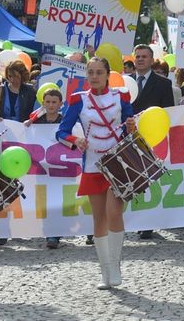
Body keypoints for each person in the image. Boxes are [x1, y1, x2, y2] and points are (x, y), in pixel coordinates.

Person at [55, 57, 136, 289]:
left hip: (117, 163)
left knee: (114, 213)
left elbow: (130, 129)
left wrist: (132, 127)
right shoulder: (78, 100)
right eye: (90, 72)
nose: (94, 77)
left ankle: (115, 264)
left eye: (99, 72)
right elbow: (61, 132)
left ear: (108, 74)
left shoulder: (121, 96)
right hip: (92, 165)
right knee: (99, 218)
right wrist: (75, 140)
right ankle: (105, 271)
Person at [0, 60, 36, 249]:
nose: (13, 80)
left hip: (21, 142)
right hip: (1, 141)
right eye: (10, 76)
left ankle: (7, 228)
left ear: (23, 76)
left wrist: (30, 122)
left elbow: (34, 113)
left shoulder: (29, 91)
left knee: (13, 187)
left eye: (16, 76)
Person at [131, 44, 174, 239]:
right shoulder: (125, 82)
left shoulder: (163, 84)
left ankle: (148, 222)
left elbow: (168, 111)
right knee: (134, 179)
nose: (140, 59)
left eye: (144, 56)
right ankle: (136, 219)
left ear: (151, 59)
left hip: (153, 137)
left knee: (151, 180)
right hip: (130, 137)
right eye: (137, 56)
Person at [24, 88, 65, 249]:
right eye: (48, 102)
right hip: (41, 168)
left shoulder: (65, 121)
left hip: (60, 168)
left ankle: (54, 234)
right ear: (43, 103)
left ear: (60, 104)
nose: (51, 105)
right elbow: (26, 135)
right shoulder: (36, 121)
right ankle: (48, 230)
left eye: (54, 102)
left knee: (57, 199)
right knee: (43, 200)